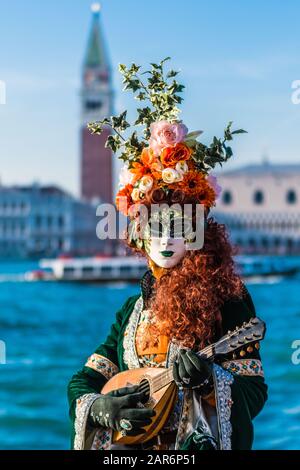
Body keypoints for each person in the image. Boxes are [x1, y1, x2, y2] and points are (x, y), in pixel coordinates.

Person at [67, 59, 268, 450]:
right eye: (154, 225)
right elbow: (85, 378)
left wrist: (210, 380)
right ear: (139, 234)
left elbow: (254, 391)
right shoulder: (132, 311)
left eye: (179, 224)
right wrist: (99, 407)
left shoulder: (229, 300)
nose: (166, 237)